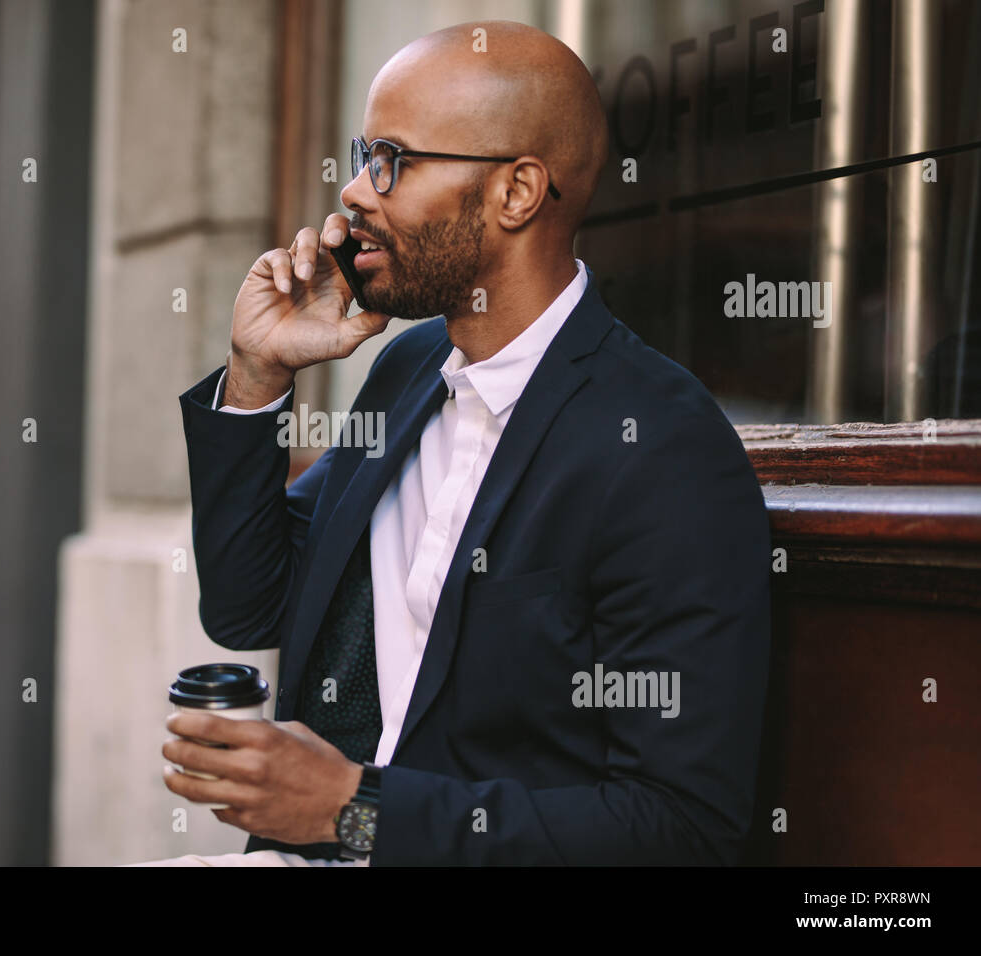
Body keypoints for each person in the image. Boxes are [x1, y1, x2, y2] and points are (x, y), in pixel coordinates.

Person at [138, 19, 771, 866]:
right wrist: (257, 374)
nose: (356, 192)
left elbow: (680, 831)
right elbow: (248, 605)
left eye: (392, 160)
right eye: (364, 154)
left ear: (515, 193)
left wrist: (350, 810)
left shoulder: (660, 447)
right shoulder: (409, 370)